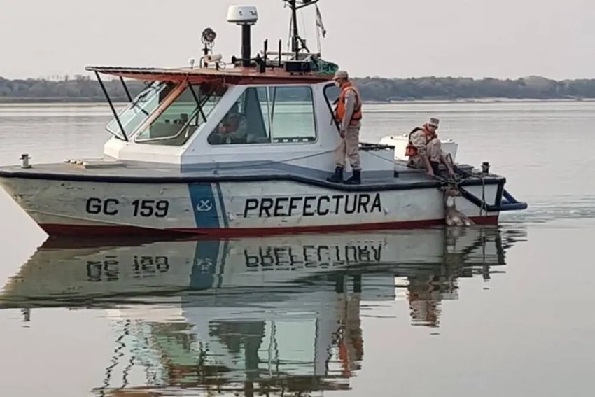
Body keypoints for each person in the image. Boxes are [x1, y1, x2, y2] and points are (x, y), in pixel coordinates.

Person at [327, 70, 363, 184]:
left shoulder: (349, 92)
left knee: (352, 150)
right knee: (340, 149)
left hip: (350, 127)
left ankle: (356, 175)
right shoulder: (345, 91)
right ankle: (339, 172)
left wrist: (343, 127)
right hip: (345, 126)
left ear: (342, 79)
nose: (336, 82)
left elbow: (348, 112)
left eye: (337, 80)